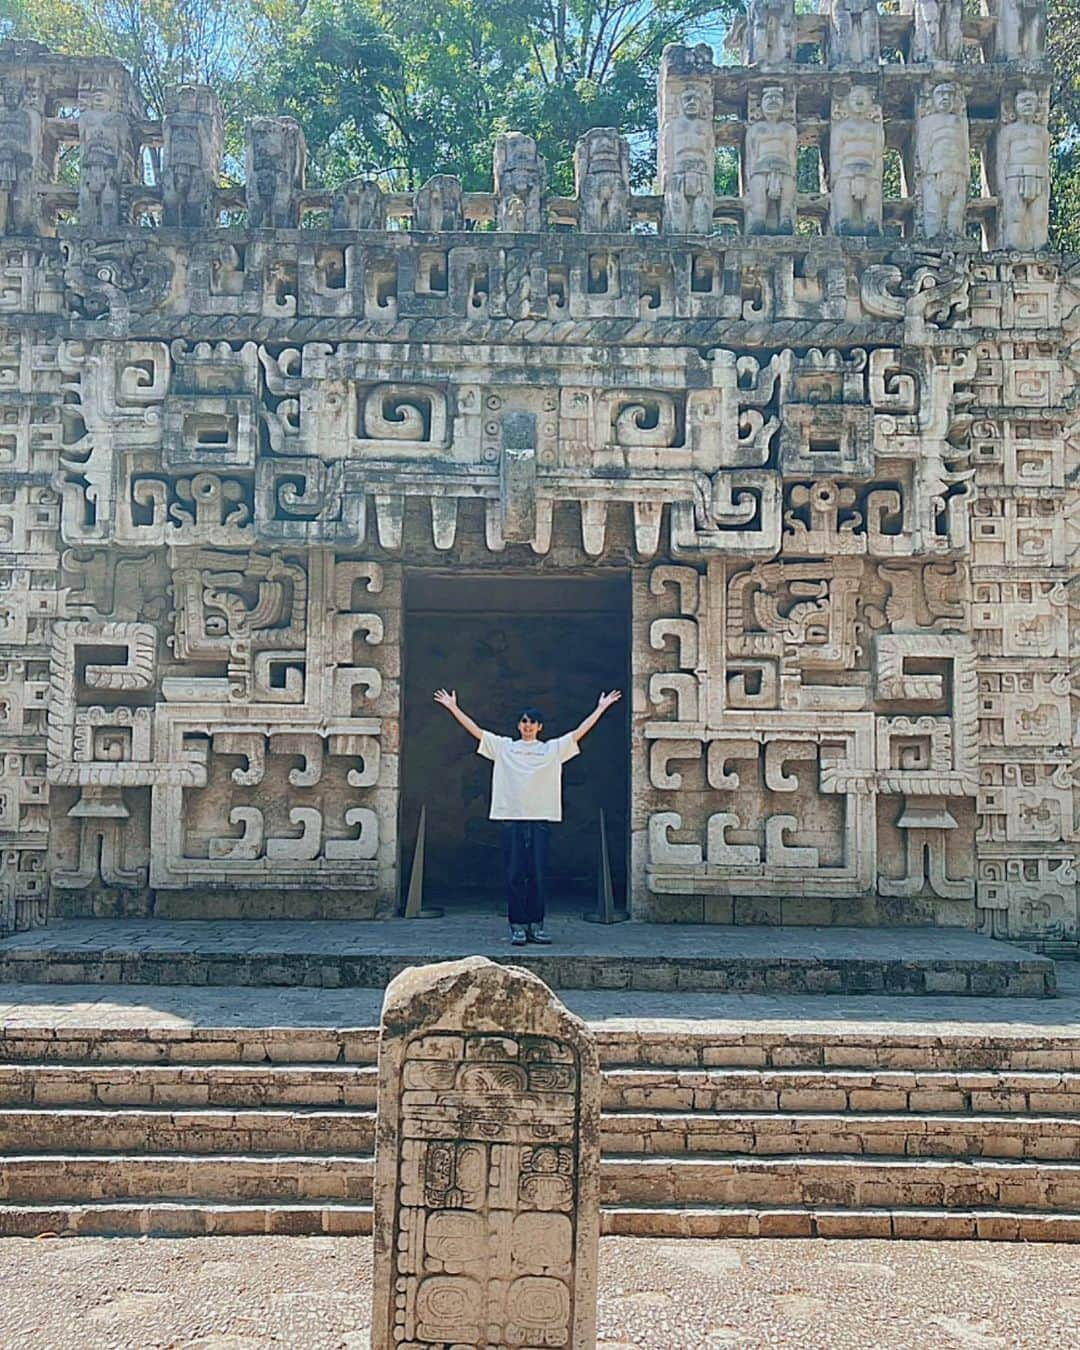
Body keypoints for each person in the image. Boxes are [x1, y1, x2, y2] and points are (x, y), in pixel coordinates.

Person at [433, 689, 623, 944]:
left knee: (537, 873)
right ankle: (517, 925)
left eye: (532, 722)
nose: (528, 726)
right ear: (518, 725)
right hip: (512, 818)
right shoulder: (504, 747)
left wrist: (601, 708)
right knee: (514, 874)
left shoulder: (552, 749)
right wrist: (453, 707)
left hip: (540, 818)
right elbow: (476, 731)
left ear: (540, 727)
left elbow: (579, 732)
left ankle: (537, 923)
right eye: (524, 721)